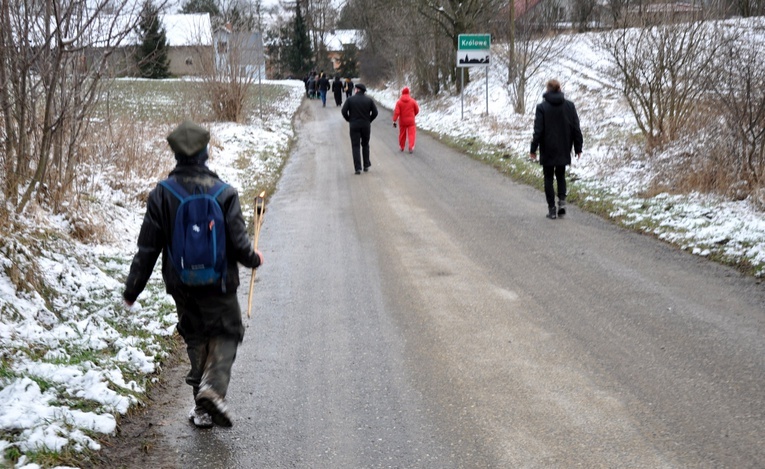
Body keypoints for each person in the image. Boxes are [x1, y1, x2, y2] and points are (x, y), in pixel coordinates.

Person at [123, 120, 264, 428]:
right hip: (220, 282)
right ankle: (212, 390)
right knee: (227, 332)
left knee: (195, 335)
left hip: (181, 284)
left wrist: (132, 290)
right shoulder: (225, 193)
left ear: (176, 153)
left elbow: (148, 249)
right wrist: (254, 259)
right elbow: (240, 247)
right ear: (205, 151)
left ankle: (200, 409)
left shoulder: (161, 195)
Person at [530, 79, 583, 219]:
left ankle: (552, 209)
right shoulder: (570, 106)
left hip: (547, 148)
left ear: (547, 90)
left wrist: (533, 149)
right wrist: (578, 147)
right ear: (560, 89)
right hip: (564, 146)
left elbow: (538, 130)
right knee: (561, 175)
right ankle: (562, 204)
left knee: (548, 177)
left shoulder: (542, 107)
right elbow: (576, 128)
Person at [341, 83, 378, 174]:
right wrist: (369, 120)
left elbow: (343, 111)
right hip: (365, 125)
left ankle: (358, 168)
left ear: (357, 90)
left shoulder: (350, 100)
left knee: (355, 146)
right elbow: (375, 112)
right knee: (365, 144)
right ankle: (366, 165)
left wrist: (349, 119)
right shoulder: (369, 100)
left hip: (354, 125)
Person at [392, 86, 420, 154]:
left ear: (402, 93)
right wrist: (413, 115)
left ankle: (402, 147)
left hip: (402, 121)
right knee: (411, 134)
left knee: (402, 134)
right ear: (408, 93)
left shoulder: (399, 102)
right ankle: (411, 147)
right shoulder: (413, 101)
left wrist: (394, 120)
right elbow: (417, 110)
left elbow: (397, 112)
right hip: (411, 121)